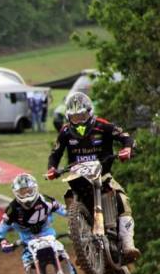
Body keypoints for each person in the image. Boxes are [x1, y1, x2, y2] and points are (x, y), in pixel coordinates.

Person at [46, 92, 140, 262]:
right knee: (70, 199)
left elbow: (126, 137)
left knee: (122, 199)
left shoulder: (103, 126)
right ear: (68, 117)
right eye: (74, 118)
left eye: (82, 116)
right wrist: (51, 169)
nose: (78, 121)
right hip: (78, 177)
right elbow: (55, 153)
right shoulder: (65, 131)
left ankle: (128, 244)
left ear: (89, 113)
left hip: (103, 176)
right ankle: (82, 249)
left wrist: (127, 149)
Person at [0, 173, 90, 274]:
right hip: (28, 243)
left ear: (35, 188)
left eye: (28, 190)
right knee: (29, 268)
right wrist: (3, 242)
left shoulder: (46, 201)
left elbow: (66, 212)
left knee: (64, 258)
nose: (26, 195)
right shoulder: (12, 209)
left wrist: (78, 218)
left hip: (49, 237)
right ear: (16, 193)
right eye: (22, 192)